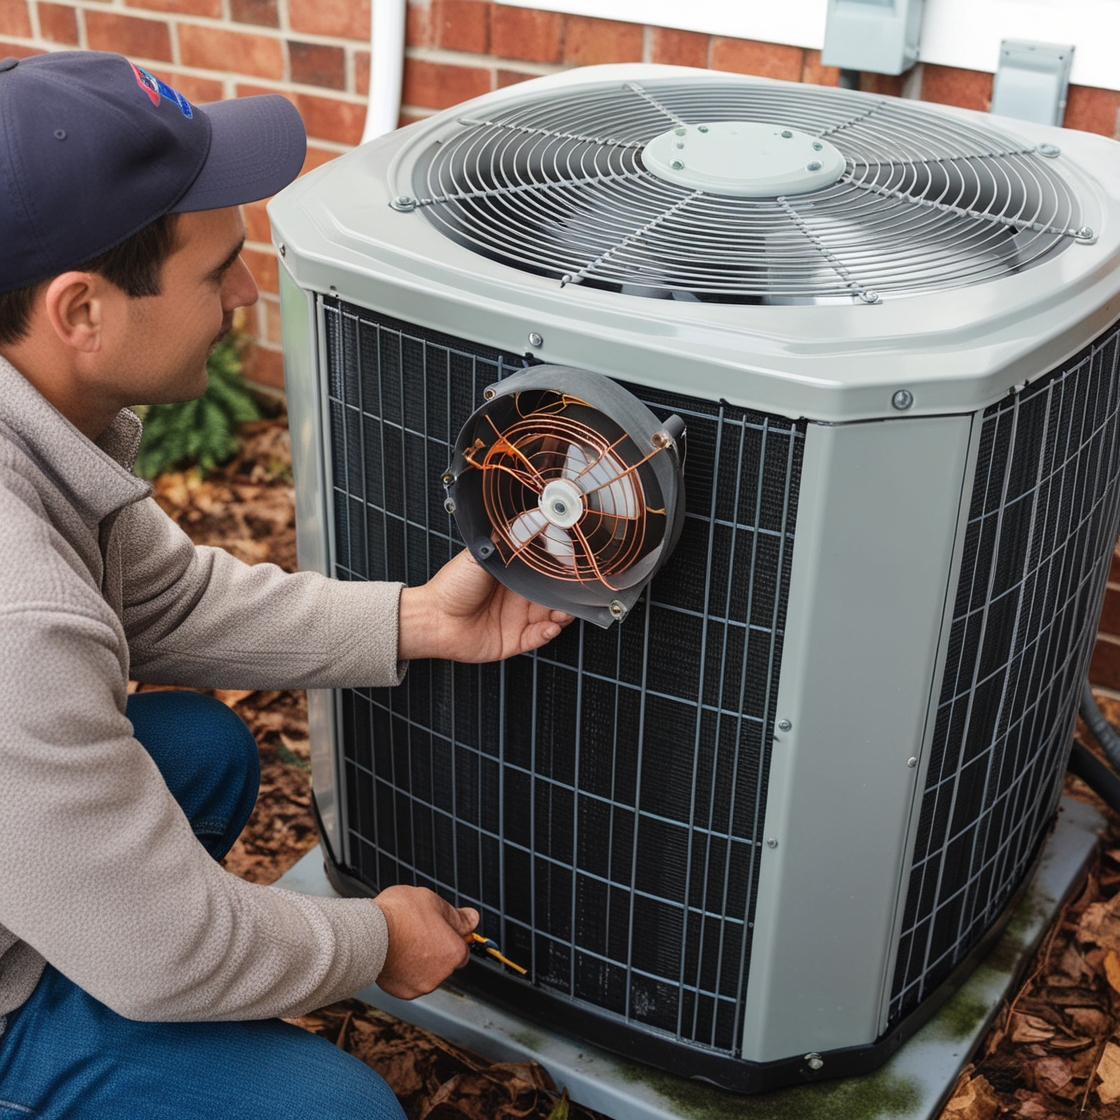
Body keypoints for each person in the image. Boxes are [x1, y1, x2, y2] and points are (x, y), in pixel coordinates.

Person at [0, 50, 571, 1118]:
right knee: (334, 1110)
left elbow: (167, 604)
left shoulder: (30, 427)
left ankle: (88, 950)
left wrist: (418, 619)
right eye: (217, 268)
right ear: (80, 311)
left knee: (200, 752)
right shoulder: (16, 609)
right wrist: (375, 939)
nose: (246, 292)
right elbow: (173, 953)